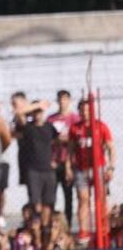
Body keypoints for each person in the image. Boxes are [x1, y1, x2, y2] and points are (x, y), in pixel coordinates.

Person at [68, 99, 115, 244]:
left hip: (98, 167)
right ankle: (84, 231)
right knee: (83, 198)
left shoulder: (101, 126)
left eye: (88, 110)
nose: (85, 113)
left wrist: (111, 167)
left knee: (101, 198)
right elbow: (71, 149)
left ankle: (103, 228)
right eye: (82, 110)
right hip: (81, 168)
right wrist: (69, 167)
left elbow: (110, 148)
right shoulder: (75, 128)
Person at [14, 100, 58, 234]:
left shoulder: (49, 127)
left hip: (48, 170)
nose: (37, 114)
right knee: (35, 202)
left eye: (39, 111)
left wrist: (55, 159)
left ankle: (45, 229)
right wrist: (37, 105)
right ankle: (35, 229)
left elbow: (58, 143)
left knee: (48, 203)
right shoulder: (28, 127)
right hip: (33, 170)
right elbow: (18, 112)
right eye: (35, 112)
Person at [48, 90, 78, 224]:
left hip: (68, 162)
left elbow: (77, 139)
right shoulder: (51, 119)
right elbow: (46, 140)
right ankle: (51, 224)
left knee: (68, 196)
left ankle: (69, 225)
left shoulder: (75, 119)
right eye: (60, 99)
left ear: (69, 101)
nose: (62, 102)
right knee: (51, 197)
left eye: (65, 99)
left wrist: (67, 140)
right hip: (54, 162)